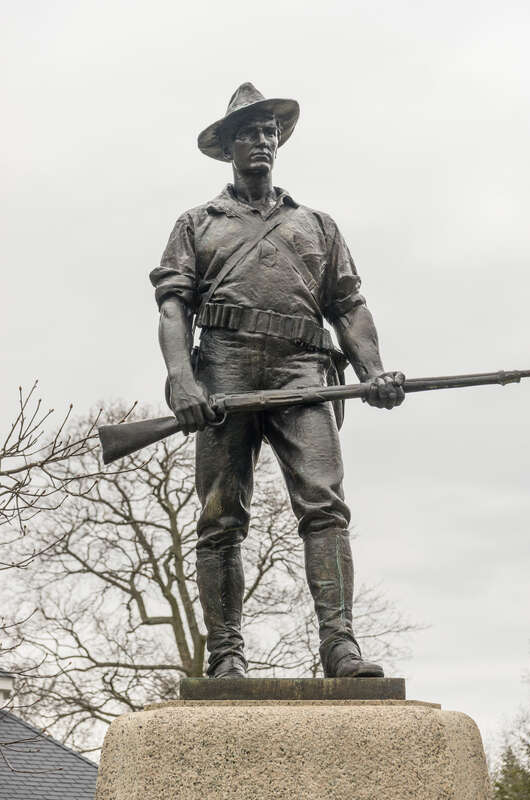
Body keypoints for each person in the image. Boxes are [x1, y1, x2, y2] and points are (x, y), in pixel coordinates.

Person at [149, 83, 405, 679]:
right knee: (220, 518)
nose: (261, 141)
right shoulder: (197, 223)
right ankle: (226, 656)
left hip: (303, 374)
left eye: (269, 132)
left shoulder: (317, 224)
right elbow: (172, 309)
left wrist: (373, 372)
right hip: (224, 373)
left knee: (325, 508)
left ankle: (340, 646)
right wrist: (183, 381)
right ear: (228, 147)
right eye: (248, 132)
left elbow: (349, 306)